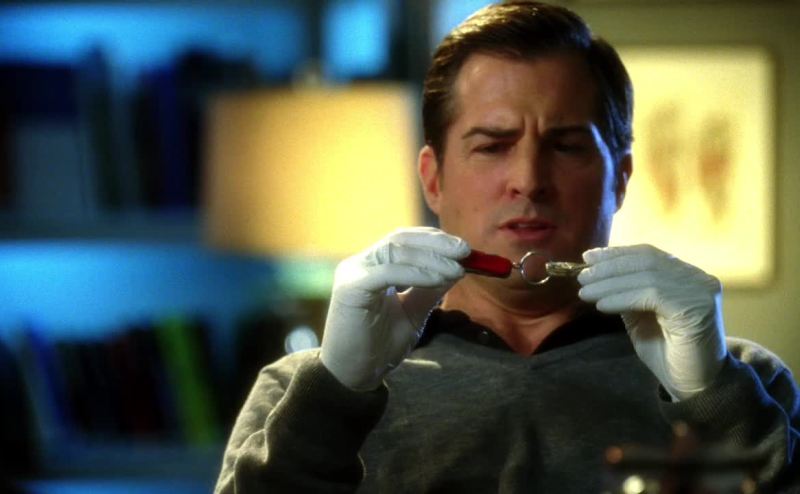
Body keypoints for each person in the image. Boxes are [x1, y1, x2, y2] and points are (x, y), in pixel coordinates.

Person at [214, 2, 800, 492]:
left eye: (566, 146)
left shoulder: (743, 382)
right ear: (433, 180)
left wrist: (713, 399)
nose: (528, 180)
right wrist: (338, 392)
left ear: (619, 179)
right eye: (492, 146)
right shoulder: (302, 392)